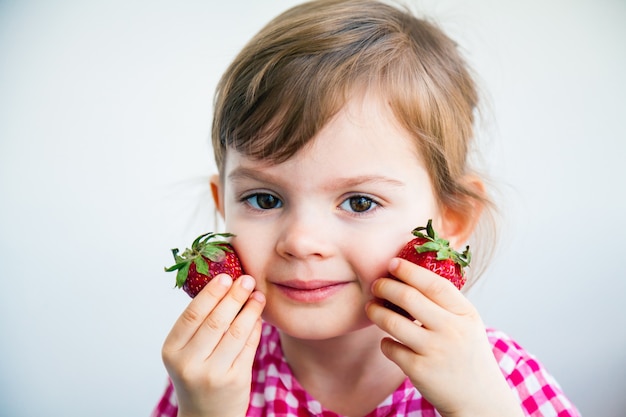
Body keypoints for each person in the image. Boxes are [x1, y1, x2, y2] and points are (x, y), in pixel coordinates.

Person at [152, 0, 580, 416]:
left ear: (452, 219)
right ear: (222, 208)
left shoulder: (496, 380)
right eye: (265, 199)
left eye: (359, 202)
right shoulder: (209, 381)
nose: (301, 241)